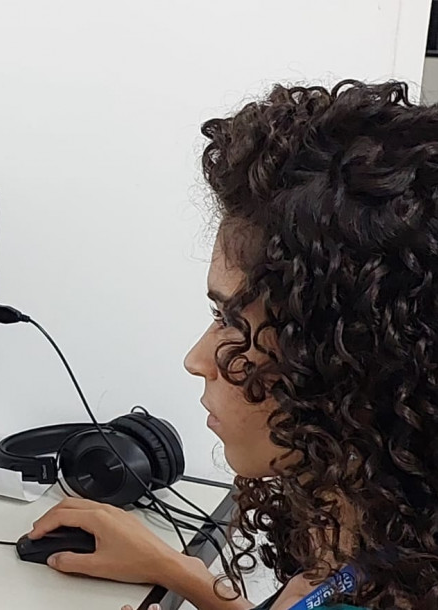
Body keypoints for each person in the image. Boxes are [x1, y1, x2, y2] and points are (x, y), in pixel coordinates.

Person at [28, 80, 438, 609]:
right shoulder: (385, 545)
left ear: (348, 359)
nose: (197, 360)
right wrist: (178, 571)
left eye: (230, 321)